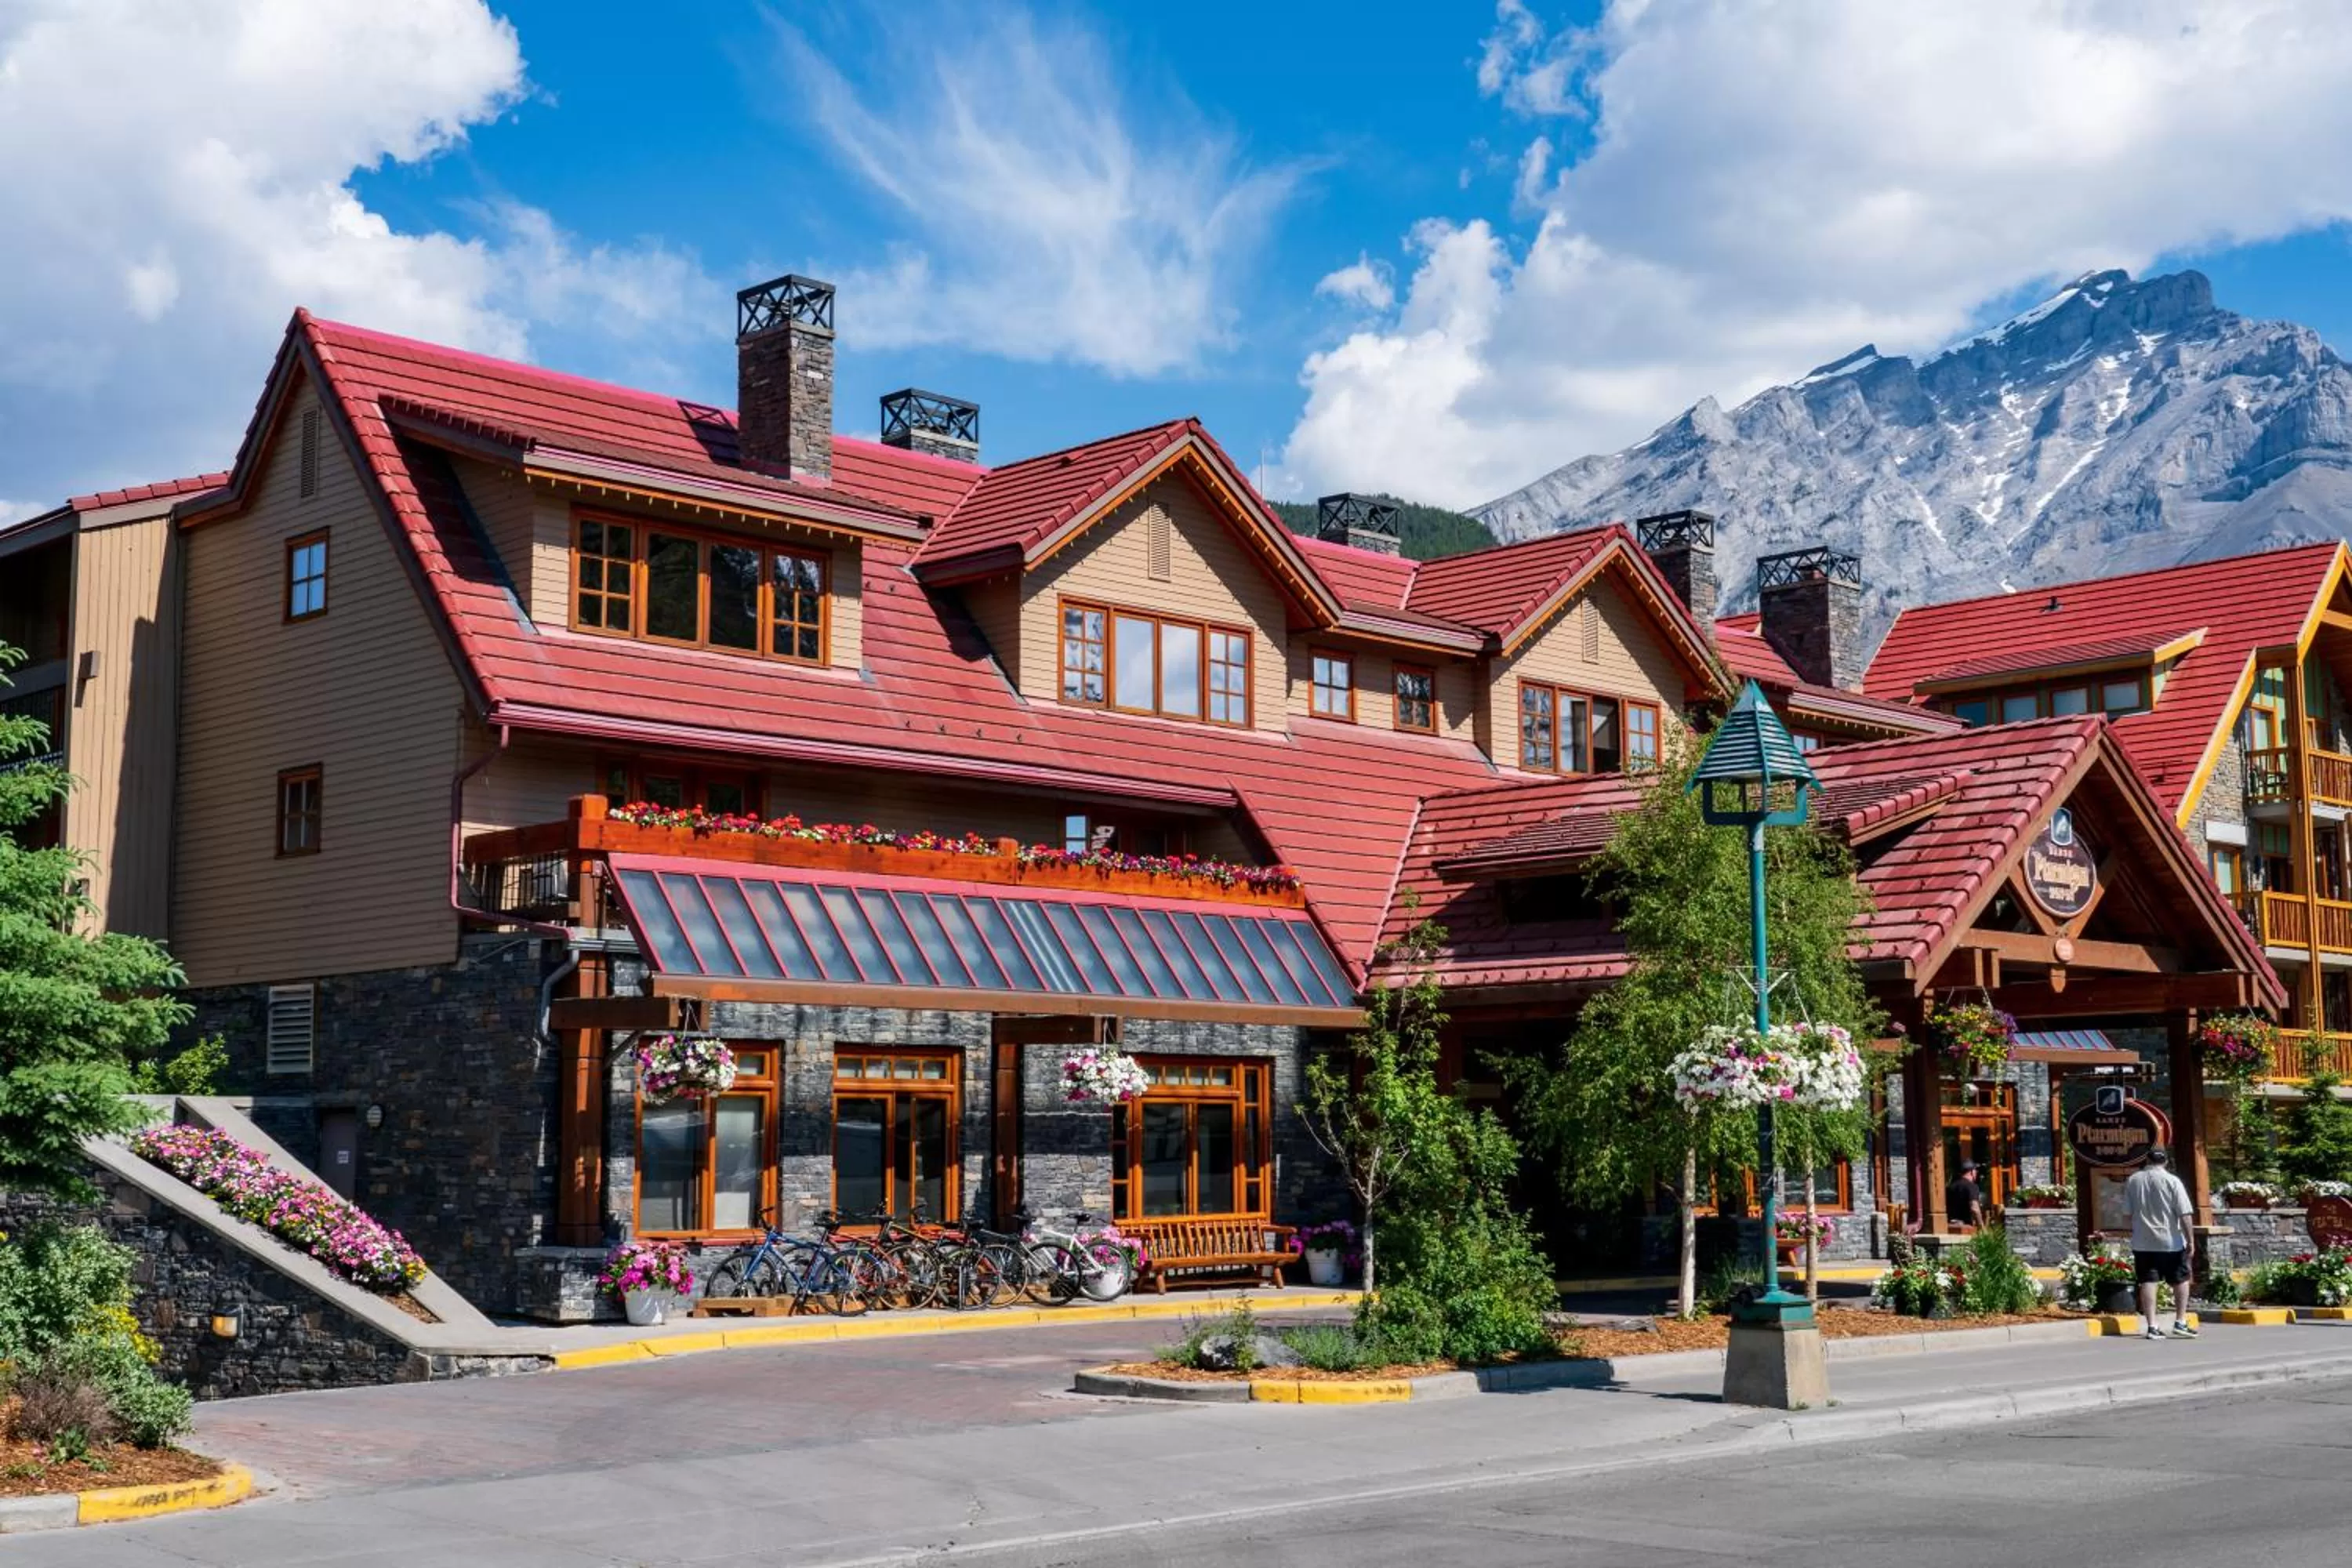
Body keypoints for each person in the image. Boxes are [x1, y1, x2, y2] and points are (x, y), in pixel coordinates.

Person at [2122, 1147, 2198, 1339]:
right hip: (2170, 1241)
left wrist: (2134, 1231)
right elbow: (2185, 1214)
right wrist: (2191, 1240)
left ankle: (2152, 1326)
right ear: (2165, 1162)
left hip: (2142, 1242)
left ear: (2147, 1161)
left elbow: (2127, 1214)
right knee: (2180, 1280)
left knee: (2148, 1281)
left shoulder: (2133, 1181)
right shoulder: (2173, 1181)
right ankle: (2180, 1321)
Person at [1945, 1161, 1984, 1230]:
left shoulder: (1951, 1187)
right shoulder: (1972, 1186)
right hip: (1966, 1228)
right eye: (1975, 1170)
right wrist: (1982, 1227)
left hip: (1950, 1227)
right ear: (1971, 1172)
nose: (1976, 1172)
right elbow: (1974, 1208)